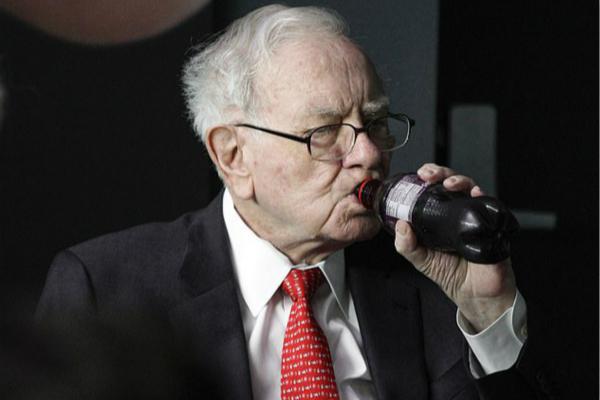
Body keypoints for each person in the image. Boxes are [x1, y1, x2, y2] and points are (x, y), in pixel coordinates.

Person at [36, 5, 558, 400]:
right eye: (325, 131)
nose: (369, 154)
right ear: (233, 155)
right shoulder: (104, 289)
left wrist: (487, 311)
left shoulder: (431, 278)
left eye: (375, 122)